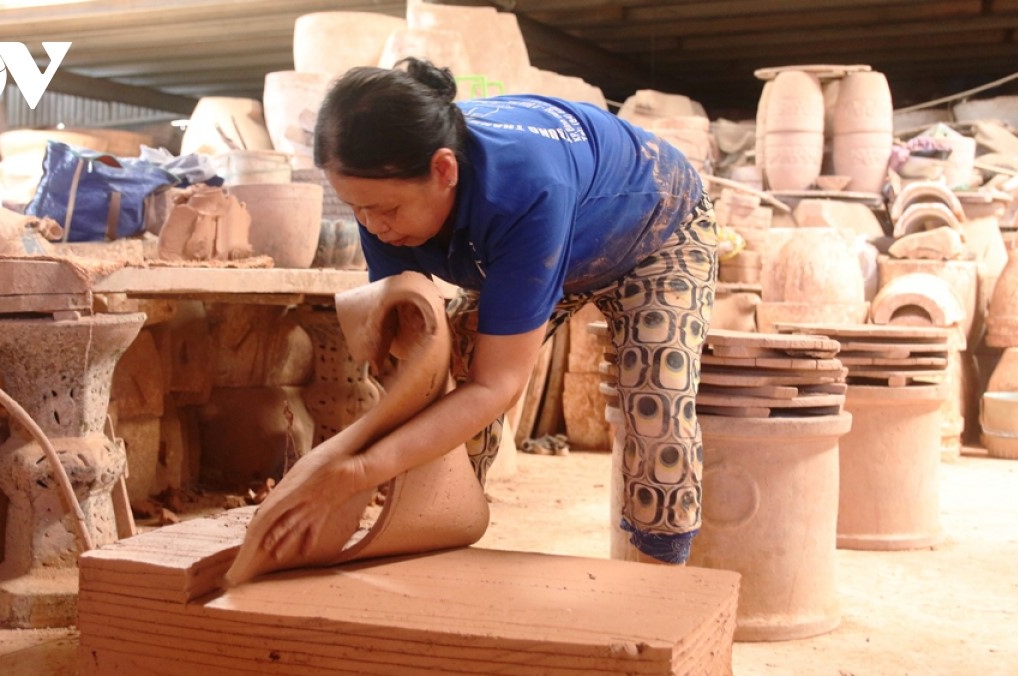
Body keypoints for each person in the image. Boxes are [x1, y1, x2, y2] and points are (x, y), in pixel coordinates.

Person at [250, 58, 718, 566]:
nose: (372, 226)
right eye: (355, 208)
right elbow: (411, 357)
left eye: (384, 210)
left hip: (656, 228)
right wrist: (363, 449)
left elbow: (499, 385)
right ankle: (440, 529)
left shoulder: (524, 188)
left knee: (656, 400)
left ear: (444, 170)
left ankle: (661, 581)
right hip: (541, 245)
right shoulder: (384, 192)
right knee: (452, 373)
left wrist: (361, 470)